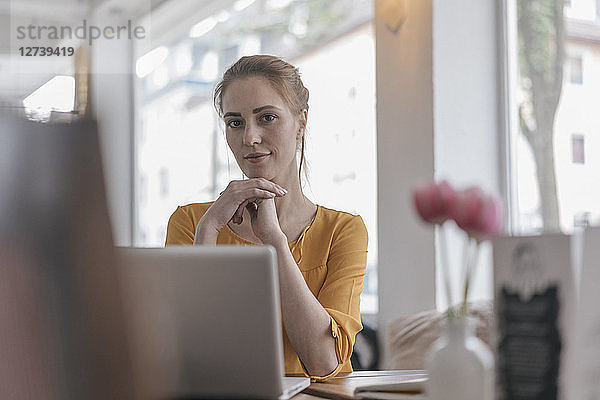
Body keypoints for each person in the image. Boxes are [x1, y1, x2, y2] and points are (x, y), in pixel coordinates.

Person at [165, 55, 368, 381]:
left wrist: (274, 242)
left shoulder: (342, 231)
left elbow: (323, 363)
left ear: (301, 122)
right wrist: (208, 231)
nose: (249, 138)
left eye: (267, 117)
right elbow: (185, 356)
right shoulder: (191, 222)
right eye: (235, 122)